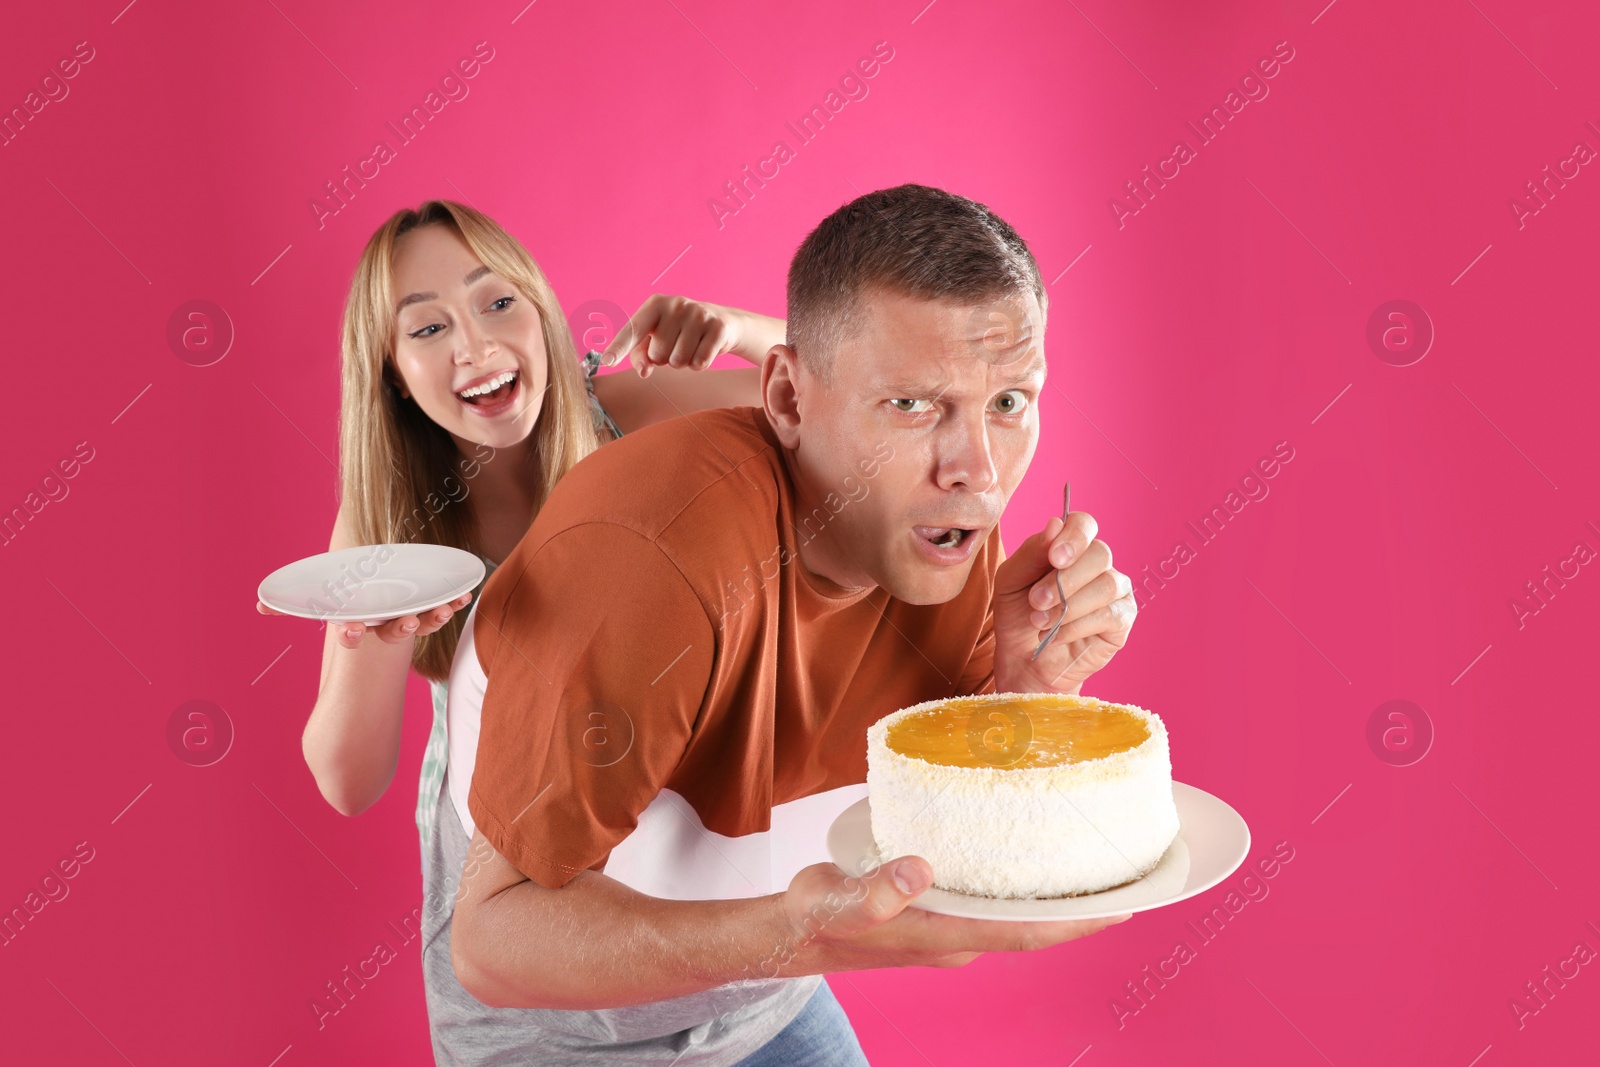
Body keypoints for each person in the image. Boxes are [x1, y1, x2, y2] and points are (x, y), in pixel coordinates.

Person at [428, 184, 1138, 1065]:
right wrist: (797, 937)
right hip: (564, 1027)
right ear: (791, 401)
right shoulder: (650, 558)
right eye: (913, 404)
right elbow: (492, 941)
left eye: (1008, 402)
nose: (979, 471)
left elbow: (930, 823)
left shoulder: (945, 536)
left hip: (765, 995)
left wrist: (1031, 692)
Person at [255, 199, 783, 876]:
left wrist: (738, 328)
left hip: (679, 864)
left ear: (541, 312)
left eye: (498, 302)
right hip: (505, 893)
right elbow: (348, 784)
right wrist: (380, 634)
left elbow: (859, 396)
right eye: (427, 328)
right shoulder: (385, 518)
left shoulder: (630, 417)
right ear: (394, 377)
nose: (475, 346)